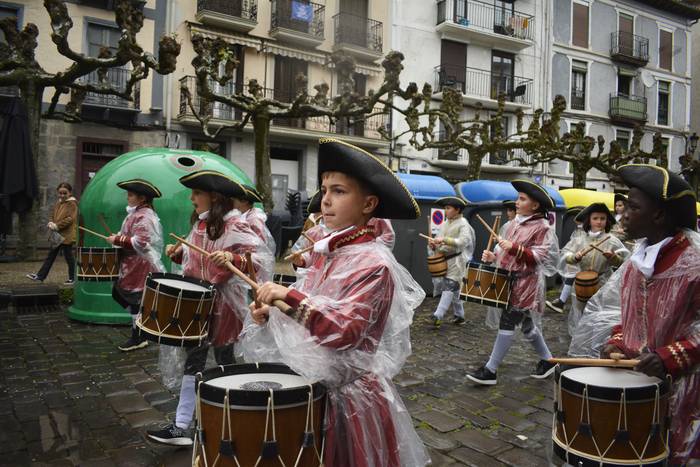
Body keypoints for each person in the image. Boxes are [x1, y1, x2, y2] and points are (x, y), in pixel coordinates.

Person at [239, 138, 430, 467]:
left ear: (368, 204)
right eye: (324, 189)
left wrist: (289, 297)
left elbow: (346, 330)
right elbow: (312, 311)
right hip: (315, 391)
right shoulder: (328, 254)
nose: (325, 200)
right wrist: (273, 313)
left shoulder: (375, 264)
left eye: (339, 191)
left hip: (350, 404)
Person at [147, 170, 273, 446]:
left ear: (213, 197)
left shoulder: (235, 225)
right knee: (198, 361)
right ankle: (185, 425)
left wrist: (233, 257)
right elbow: (196, 257)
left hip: (224, 307)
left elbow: (260, 260)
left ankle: (239, 419)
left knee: (225, 361)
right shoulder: (202, 225)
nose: (192, 198)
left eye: (197, 193)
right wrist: (179, 252)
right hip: (200, 305)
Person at [593, 164, 700, 465]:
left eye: (633, 207)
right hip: (641, 385)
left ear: (659, 215)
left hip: (686, 389)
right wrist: (617, 341)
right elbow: (625, 315)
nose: (623, 213)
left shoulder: (694, 263)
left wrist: (670, 356)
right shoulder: (636, 261)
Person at [467, 180, 559, 385]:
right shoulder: (514, 223)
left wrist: (515, 248)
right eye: (518, 198)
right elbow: (504, 251)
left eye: (522, 199)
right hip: (509, 281)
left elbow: (540, 257)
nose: (517, 202)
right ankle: (548, 360)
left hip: (526, 284)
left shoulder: (543, 227)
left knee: (507, 321)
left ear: (535, 206)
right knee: (527, 325)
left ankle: (490, 370)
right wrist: (493, 256)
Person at [108, 179, 165, 352]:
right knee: (121, 295)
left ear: (142, 199)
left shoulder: (144, 216)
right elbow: (131, 235)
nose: (128, 197)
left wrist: (118, 239)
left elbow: (141, 241)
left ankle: (138, 336)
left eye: (131, 195)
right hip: (131, 264)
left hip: (139, 265)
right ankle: (141, 329)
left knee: (134, 299)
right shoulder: (136, 213)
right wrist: (118, 238)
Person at [557, 203, 629, 336]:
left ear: (607, 221)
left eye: (603, 218)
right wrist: (575, 257)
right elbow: (564, 256)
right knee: (581, 313)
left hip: (604, 283)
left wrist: (613, 258)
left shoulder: (612, 240)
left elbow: (626, 262)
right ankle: (581, 340)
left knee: (599, 313)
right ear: (589, 221)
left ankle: (597, 341)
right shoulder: (579, 240)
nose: (599, 222)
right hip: (581, 283)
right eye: (595, 218)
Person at [428, 196, 474, 327]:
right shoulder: (445, 223)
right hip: (444, 260)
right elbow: (438, 240)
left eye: (448, 208)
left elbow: (464, 242)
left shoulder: (463, 224)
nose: (445, 211)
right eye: (445, 208)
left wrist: (444, 240)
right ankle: (460, 316)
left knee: (449, 285)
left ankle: (438, 315)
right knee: (455, 289)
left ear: (457, 209)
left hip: (456, 261)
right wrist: (433, 245)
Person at [26, 182, 78, 284]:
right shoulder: (58, 203)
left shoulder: (72, 204)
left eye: (64, 193)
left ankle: (73, 278)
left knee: (69, 258)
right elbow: (52, 214)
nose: (62, 195)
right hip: (57, 235)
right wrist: (51, 222)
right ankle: (40, 276)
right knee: (50, 256)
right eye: (60, 193)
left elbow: (70, 219)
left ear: (70, 193)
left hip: (67, 235)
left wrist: (57, 225)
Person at [546, 206, 584, 313]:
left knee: (572, 279)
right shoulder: (578, 229)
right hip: (575, 259)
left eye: (576, 217)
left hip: (582, 260)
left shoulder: (583, 230)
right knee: (570, 279)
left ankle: (562, 302)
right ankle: (561, 302)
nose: (574, 220)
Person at [234, 184, 276, 256]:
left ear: (244, 201)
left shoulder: (254, 220)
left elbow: (259, 244)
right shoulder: (242, 216)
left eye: (235, 199)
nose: (232, 201)